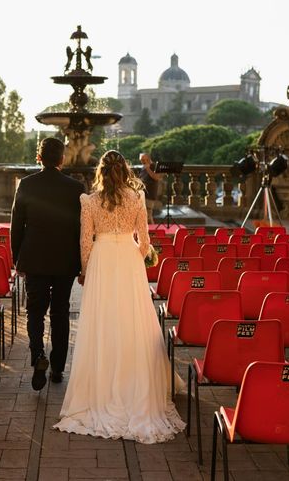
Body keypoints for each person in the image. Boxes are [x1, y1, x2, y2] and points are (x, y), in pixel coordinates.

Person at [54, 150, 185, 444]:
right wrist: (136, 259)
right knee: (131, 321)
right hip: (128, 259)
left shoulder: (88, 201)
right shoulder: (136, 198)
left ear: (100, 172)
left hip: (101, 260)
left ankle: (101, 386)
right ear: (125, 170)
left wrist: (86, 271)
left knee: (103, 321)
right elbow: (145, 240)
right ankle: (133, 383)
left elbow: (85, 241)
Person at [10, 138, 84, 390]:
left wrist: (16, 258)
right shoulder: (76, 187)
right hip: (65, 260)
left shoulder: (27, 185)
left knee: (35, 311)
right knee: (60, 312)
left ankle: (38, 355)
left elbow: (16, 225)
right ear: (62, 158)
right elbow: (80, 228)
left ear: (39, 157)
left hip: (34, 258)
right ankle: (58, 368)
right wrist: (81, 261)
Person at [138, 152, 162, 224]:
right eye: (141, 160)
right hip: (143, 193)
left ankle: (153, 232)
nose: (141, 161)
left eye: (143, 159)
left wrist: (148, 168)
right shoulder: (143, 167)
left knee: (148, 215)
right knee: (144, 215)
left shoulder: (154, 166)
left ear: (148, 158)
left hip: (150, 194)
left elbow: (157, 178)